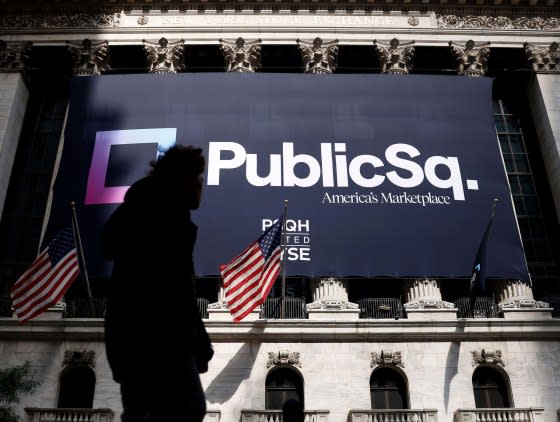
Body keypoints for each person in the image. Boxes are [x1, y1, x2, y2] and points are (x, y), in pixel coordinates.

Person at [102, 145, 213, 422]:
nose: (202, 184)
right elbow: (174, 290)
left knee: (140, 412)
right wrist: (197, 342)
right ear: (182, 178)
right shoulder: (165, 219)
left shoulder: (142, 208)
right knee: (189, 408)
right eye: (198, 177)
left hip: (130, 340)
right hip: (160, 339)